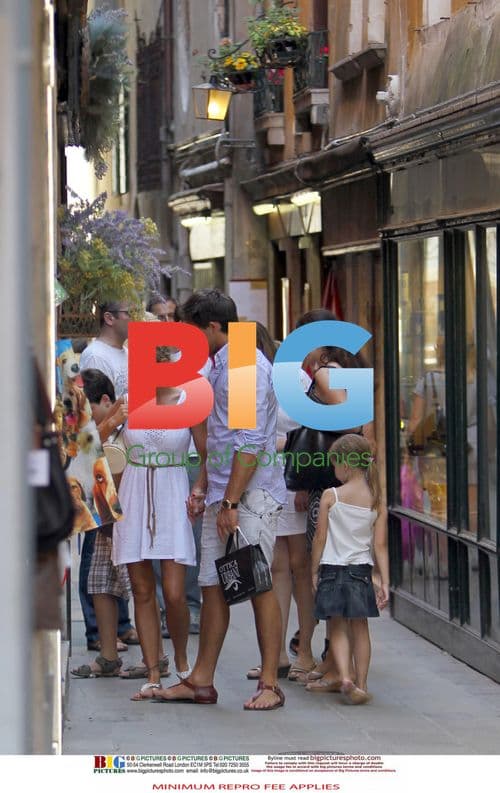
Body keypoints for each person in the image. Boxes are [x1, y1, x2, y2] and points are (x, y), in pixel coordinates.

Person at [149, 288, 286, 710]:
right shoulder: (223, 362)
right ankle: (201, 680)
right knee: (212, 585)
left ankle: (270, 684)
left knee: (258, 584)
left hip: (248, 495)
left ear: (211, 327)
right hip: (226, 492)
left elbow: (248, 443)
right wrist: (204, 487)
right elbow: (221, 437)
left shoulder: (242, 365)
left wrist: (230, 503)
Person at [111, 345, 207, 701]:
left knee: (174, 592)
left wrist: (199, 488)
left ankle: (181, 660)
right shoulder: (128, 400)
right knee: (141, 589)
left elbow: (207, 453)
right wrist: (112, 420)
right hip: (134, 491)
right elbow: (97, 441)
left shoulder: (189, 400)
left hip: (172, 490)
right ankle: (153, 670)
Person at [246, 323, 316, 684]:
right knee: (276, 566)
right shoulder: (246, 381)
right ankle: (276, 656)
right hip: (264, 480)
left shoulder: (294, 380)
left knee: (300, 565)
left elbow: (311, 429)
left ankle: (305, 650)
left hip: (293, 478)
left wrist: (304, 479)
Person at [78, 301, 139, 648]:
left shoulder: (126, 353)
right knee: (97, 549)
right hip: (99, 467)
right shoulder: (95, 355)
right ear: (109, 318)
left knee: (114, 551)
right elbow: (88, 424)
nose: (135, 319)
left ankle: (120, 624)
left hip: (115, 461)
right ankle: (97, 631)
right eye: (130, 313)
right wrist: (113, 418)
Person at [311, 434, 389, 704]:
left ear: (345, 464)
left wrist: (313, 570)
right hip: (360, 571)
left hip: (332, 569)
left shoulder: (331, 496)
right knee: (360, 627)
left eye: (334, 464)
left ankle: (345, 675)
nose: (334, 470)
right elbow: (380, 546)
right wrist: (385, 582)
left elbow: (320, 538)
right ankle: (362, 684)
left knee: (336, 626)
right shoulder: (377, 500)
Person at [71, 369, 133, 678]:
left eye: (88, 411)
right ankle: (108, 654)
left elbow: (89, 445)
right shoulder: (103, 422)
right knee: (99, 581)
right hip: (104, 508)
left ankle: (156, 661)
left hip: (126, 508)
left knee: (137, 583)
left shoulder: (127, 417)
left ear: (106, 401)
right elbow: (82, 449)